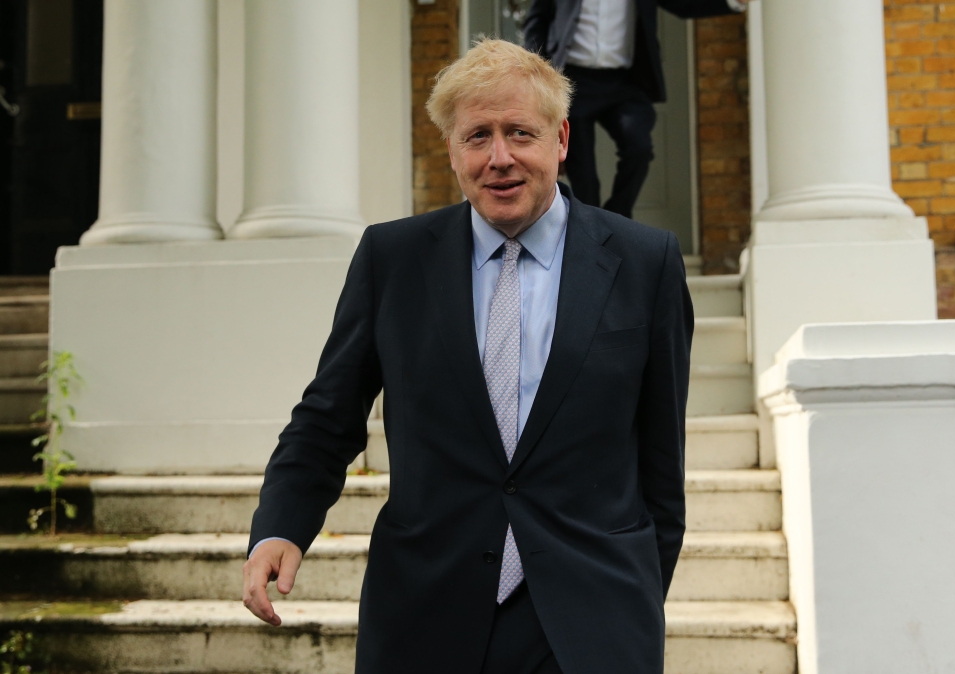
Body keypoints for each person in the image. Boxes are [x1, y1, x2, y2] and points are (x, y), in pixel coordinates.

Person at [242, 39, 693, 674]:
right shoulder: (392, 259)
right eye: (477, 136)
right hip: (426, 614)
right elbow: (327, 417)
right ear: (451, 149)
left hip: (592, 622)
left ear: (561, 139)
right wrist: (281, 526)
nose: (500, 157)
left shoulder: (646, 262)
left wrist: (634, 597)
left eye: (520, 133)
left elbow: (661, 467)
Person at [524, 0, 746, 218]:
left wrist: (732, 2)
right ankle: (590, 235)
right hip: (573, 79)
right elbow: (537, 20)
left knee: (639, 147)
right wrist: (537, 76)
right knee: (583, 175)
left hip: (624, 80)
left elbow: (683, 3)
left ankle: (616, 219)